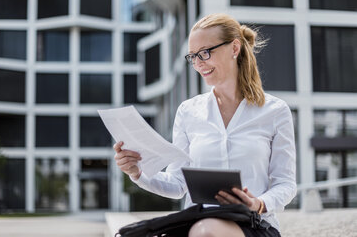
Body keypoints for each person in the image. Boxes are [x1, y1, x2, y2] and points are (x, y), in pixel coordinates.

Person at [113, 13, 296, 237]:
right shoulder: (188, 112)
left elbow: (286, 184)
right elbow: (178, 185)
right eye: (193, 56)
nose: (199, 63)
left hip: (254, 224)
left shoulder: (275, 111)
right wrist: (137, 172)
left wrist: (258, 203)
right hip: (198, 223)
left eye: (205, 53)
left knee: (206, 232)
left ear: (234, 48)